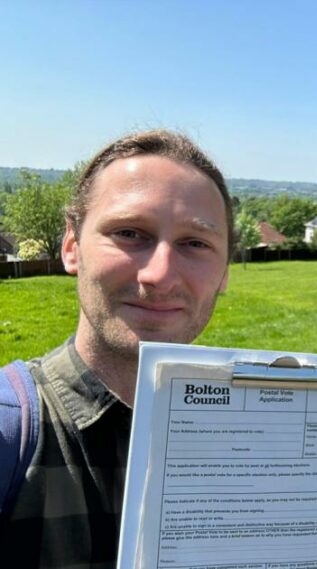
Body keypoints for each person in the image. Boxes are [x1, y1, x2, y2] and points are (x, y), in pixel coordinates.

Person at [0, 129, 235, 568]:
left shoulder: (255, 442)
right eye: (129, 233)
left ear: (224, 272)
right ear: (72, 247)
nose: (160, 275)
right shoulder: (9, 432)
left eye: (196, 243)